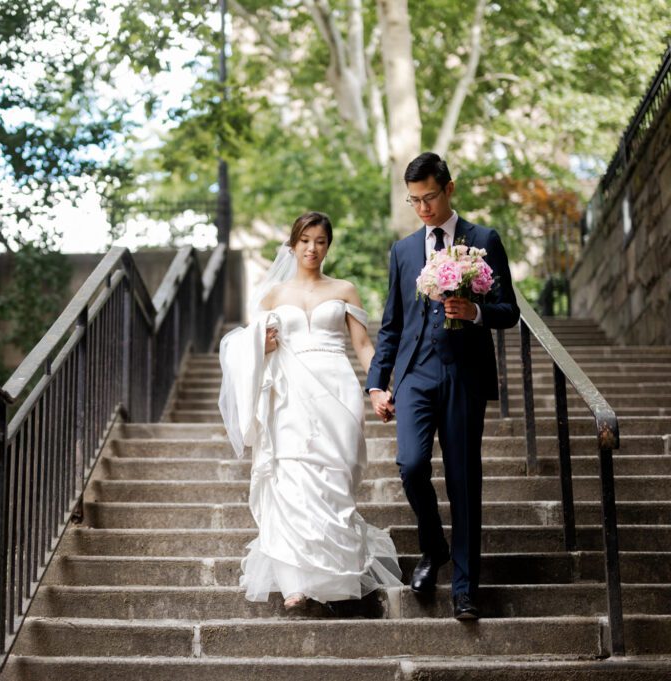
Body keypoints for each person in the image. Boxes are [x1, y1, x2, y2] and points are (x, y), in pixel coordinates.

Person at [218, 211, 402, 614]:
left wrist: (377, 388)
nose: (312, 248)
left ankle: (337, 574)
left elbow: (363, 347)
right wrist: (260, 349)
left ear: (328, 245)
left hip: (336, 387)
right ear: (293, 243)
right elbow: (246, 349)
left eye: (320, 241)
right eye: (305, 240)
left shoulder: (345, 290)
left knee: (335, 477)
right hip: (288, 394)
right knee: (289, 479)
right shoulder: (271, 296)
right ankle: (295, 583)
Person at [366, 152, 519, 620]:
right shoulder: (404, 251)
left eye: (429, 197)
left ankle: (465, 588)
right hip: (415, 375)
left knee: (463, 479)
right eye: (414, 201)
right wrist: (377, 382)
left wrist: (474, 313)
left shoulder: (483, 240)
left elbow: (508, 310)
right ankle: (433, 548)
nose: (423, 208)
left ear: (449, 188)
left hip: (464, 375)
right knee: (411, 465)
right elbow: (391, 324)